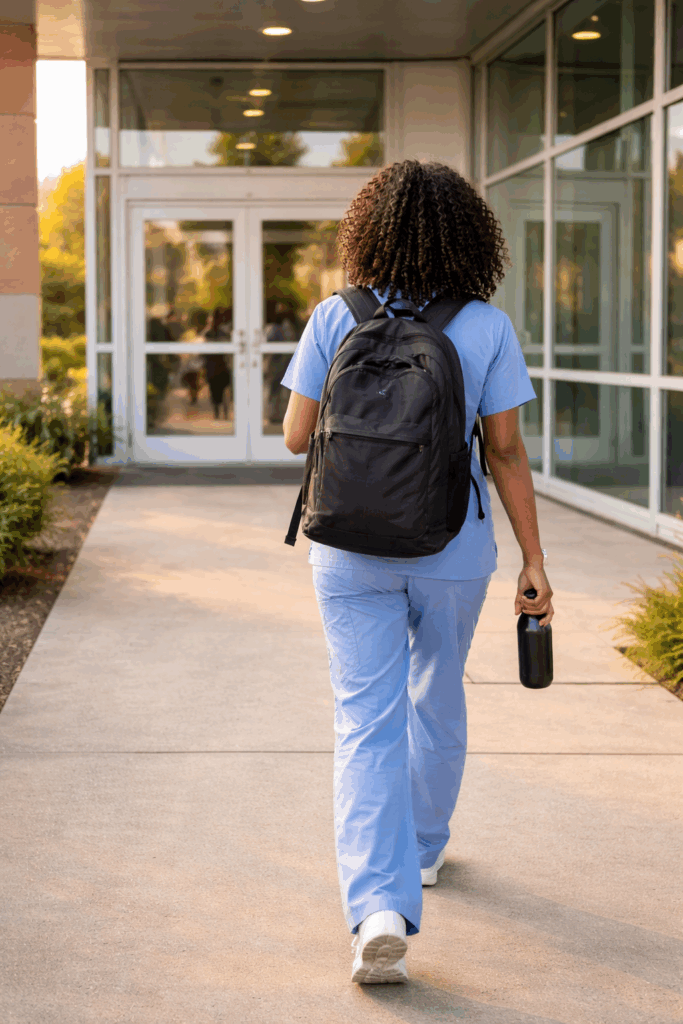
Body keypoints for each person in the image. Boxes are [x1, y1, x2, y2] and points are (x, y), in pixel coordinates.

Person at [281, 160, 555, 985]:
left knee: (365, 720)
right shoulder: (485, 325)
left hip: (346, 548)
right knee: (436, 692)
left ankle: (378, 910)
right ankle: (425, 850)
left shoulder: (335, 314)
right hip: (453, 550)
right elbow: (504, 451)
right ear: (469, 237)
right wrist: (534, 560)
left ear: (369, 231)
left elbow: (296, 439)